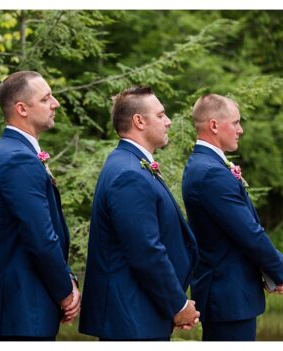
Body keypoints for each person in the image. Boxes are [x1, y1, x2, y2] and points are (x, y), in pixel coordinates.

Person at [79, 87, 200, 341]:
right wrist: (177, 306)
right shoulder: (129, 173)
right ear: (139, 121)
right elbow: (145, 250)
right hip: (131, 317)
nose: (168, 122)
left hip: (137, 313)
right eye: (161, 115)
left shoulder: (130, 164)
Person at [182, 94, 283, 341]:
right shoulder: (211, 172)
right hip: (227, 293)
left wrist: (279, 260)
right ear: (213, 125)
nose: (240, 130)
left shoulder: (203, 165)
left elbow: (246, 226)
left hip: (228, 293)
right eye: (235, 122)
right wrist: (279, 270)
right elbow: (248, 232)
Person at [0, 71, 79, 341]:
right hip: (24, 309)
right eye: (46, 98)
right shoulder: (17, 159)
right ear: (22, 108)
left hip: (26, 308)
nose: (56, 103)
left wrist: (67, 277)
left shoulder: (17, 152)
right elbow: (40, 237)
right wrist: (65, 290)